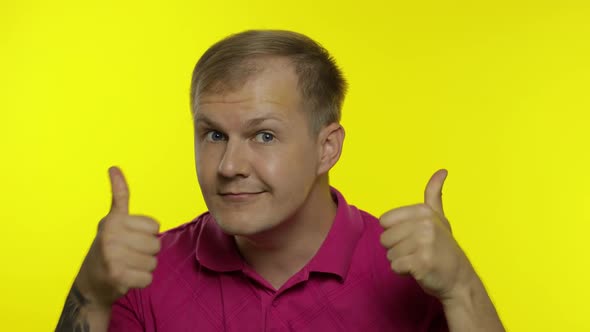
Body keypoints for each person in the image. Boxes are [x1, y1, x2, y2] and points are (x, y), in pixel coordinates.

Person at [56, 30, 505, 332]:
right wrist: (91, 295)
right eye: (213, 134)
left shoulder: (414, 272)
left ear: (326, 148)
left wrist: (461, 287)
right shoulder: (141, 273)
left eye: (263, 135)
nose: (229, 165)